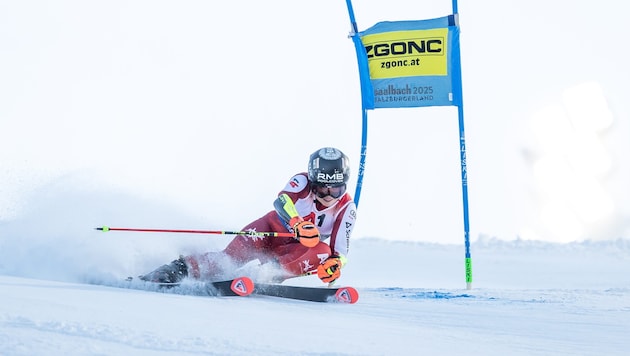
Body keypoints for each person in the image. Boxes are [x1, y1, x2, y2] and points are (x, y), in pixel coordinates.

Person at [140, 147, 357, 285]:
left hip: (293, 250)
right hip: (268, 230)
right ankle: (176, 270)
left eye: (335, 190)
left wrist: (336, 265)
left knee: (322, 251)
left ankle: (266, 274)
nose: (329, 196)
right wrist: (297, 223)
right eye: (322, 189)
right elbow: (281, 201)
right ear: (313, 182)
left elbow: (340, 251)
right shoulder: (301, 181)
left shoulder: (347, 208)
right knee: (227, 261)